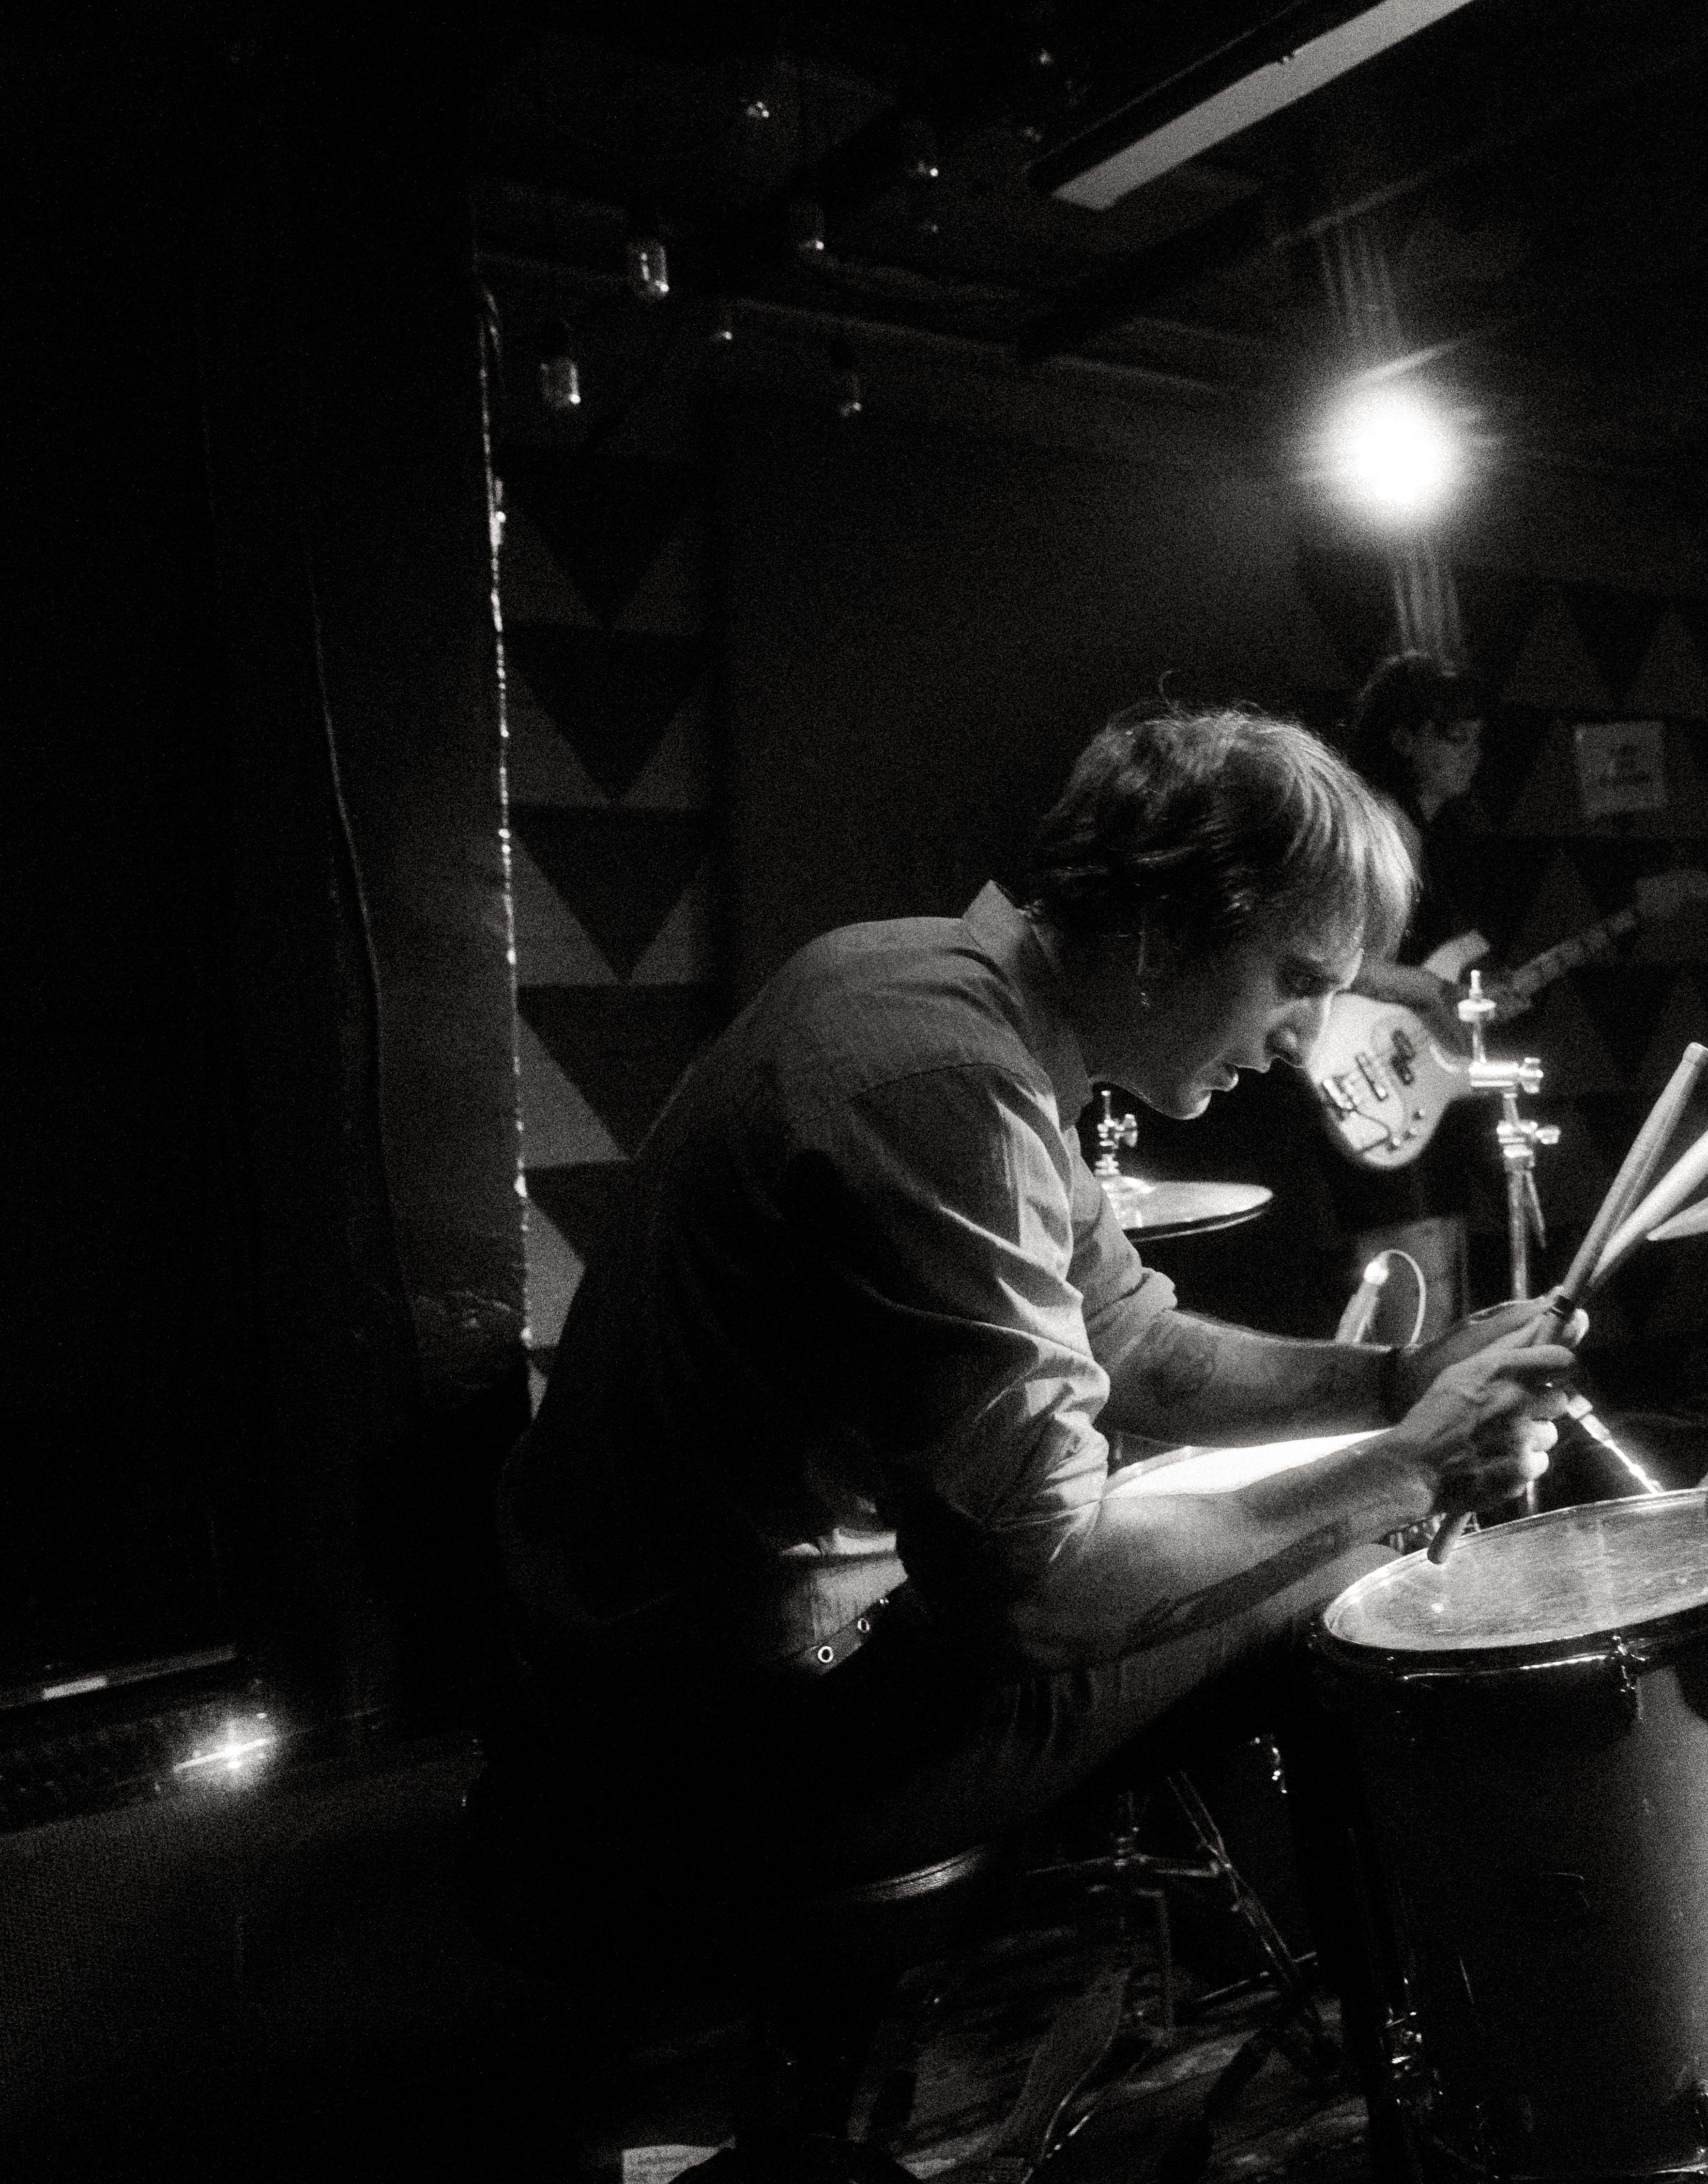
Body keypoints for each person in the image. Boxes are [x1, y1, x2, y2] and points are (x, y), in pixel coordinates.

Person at [487, 705, 1572, 1921]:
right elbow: (1035, 1599)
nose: (1303, 1039)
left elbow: (1139, 1342)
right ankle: (1393, 2003)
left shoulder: (924, 983)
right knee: (1363, 1584)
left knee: (1286, 1532)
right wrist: (1410, 1468)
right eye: (1300, 980)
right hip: (719, 1744)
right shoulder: (949, 1088)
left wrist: (1394, 1382)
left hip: (634, 1675)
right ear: (1164, 928)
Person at [1320, 650, 1502, 1337]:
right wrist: (1430, 988)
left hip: (1405, 1068)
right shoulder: (1385, 827)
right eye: (1454, 737)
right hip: (1368, 1071)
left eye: (1478, 737)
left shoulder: (1429, 830)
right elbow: (1337, 962)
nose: (1472, 754)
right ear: (1403, 738)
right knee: (1417, 1271)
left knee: (1434, 1259)